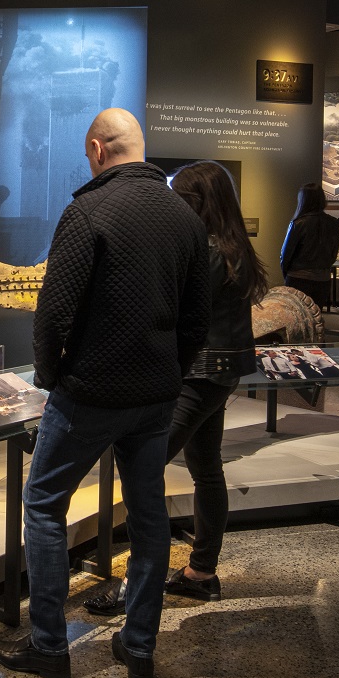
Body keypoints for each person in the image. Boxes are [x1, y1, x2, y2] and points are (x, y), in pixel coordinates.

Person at [0, 109, 210, 678]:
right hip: (155, 395)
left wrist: (51, 377)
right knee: (148, 514)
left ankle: (48, 645)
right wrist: (171, 374)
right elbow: (195, 320)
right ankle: (138, 648)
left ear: (95, 148)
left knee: (42, 503)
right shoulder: (184, 217)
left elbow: (53, 314)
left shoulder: (87, 210)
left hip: (90, 392)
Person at [82, 160, 269, 616]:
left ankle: (135, 588)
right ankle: (201, 572)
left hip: (197, 374)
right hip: (221, 374)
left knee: (144, 471)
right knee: (207, 470)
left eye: (179, 199)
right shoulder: (234, 248)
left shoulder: (203, 251)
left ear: (196, 202)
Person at [280, 182, 339, 307]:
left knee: (297, 317)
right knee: (316, 317)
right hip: (322, 279)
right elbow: (333, 253)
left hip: (298, 279)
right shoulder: (333, 223)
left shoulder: (298, 223)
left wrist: (286, 275)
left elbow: (285, 255)